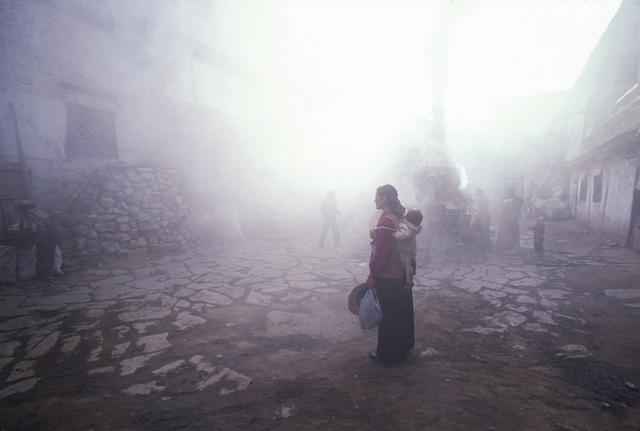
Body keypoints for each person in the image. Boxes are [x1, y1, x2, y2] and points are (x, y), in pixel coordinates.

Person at [366, 184, 415, 365]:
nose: (374, 199)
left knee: (387, 317)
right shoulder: (399, 219)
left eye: (377, 196)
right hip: (402, 274)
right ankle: (402, 349)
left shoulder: (386, 221)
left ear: (385, 198)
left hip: (388, 275)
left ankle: (386, 355)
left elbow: (382, 254)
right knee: (400, 314)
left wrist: (373, 273)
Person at [12, 200, 61, 277]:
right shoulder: (32, 215)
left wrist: (25, 234)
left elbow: (33, 228)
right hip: (48, 236)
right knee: (47, 255)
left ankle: (47, 274)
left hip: (45, 236)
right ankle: (48, 273)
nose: (23, 211)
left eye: (24, 209)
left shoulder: (32, 216)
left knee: (44, 255)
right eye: (22, 209)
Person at [393, 209, 423, 289]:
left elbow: (402, 236)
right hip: (408, 250)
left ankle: (408, 282)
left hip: (406, 251)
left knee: (406, 267)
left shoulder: (410, 229)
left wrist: (394, 234)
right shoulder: (409, 226)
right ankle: (409, 276)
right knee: (409, 265)